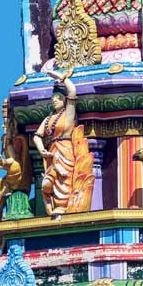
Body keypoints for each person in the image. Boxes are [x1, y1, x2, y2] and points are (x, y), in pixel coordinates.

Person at [33, 70, 94, 218]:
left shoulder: (68, 114)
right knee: (49, 183)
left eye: (58, 98)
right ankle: (56, 205)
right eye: (53, 98)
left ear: (64, 100)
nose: (54, 100)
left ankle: (64, 206)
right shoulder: (48, 119)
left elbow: (72, 91)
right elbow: (37, 136)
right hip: (52, 152)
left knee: (65, 177)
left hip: (66, 149)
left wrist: (63, 78)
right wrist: (42, 150)